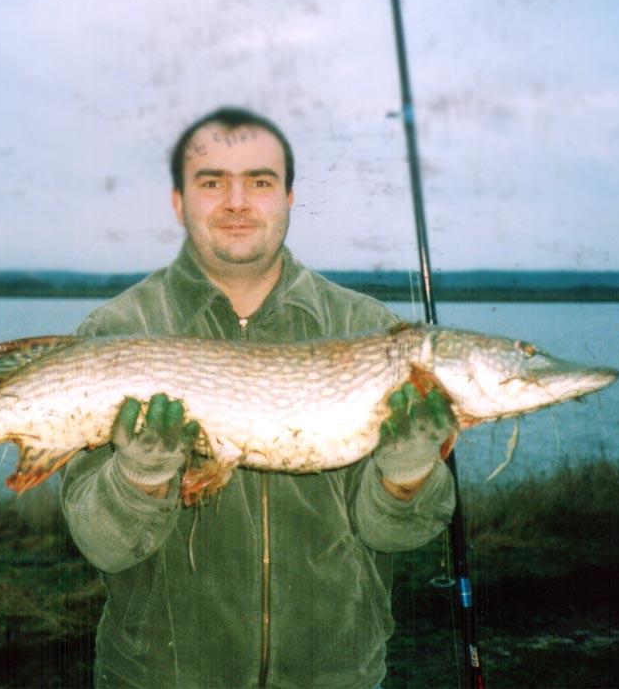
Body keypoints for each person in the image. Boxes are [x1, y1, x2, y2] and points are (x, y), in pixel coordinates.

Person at [61, 107, 457, 689]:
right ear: (179, 202)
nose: (238, 202)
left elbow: (395, 535)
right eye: (212, 181)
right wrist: (138, 481)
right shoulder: (117, 328)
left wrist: (408, 477)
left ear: (291, 198)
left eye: (261, 182)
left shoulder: (370, 330)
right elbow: (103, 545)